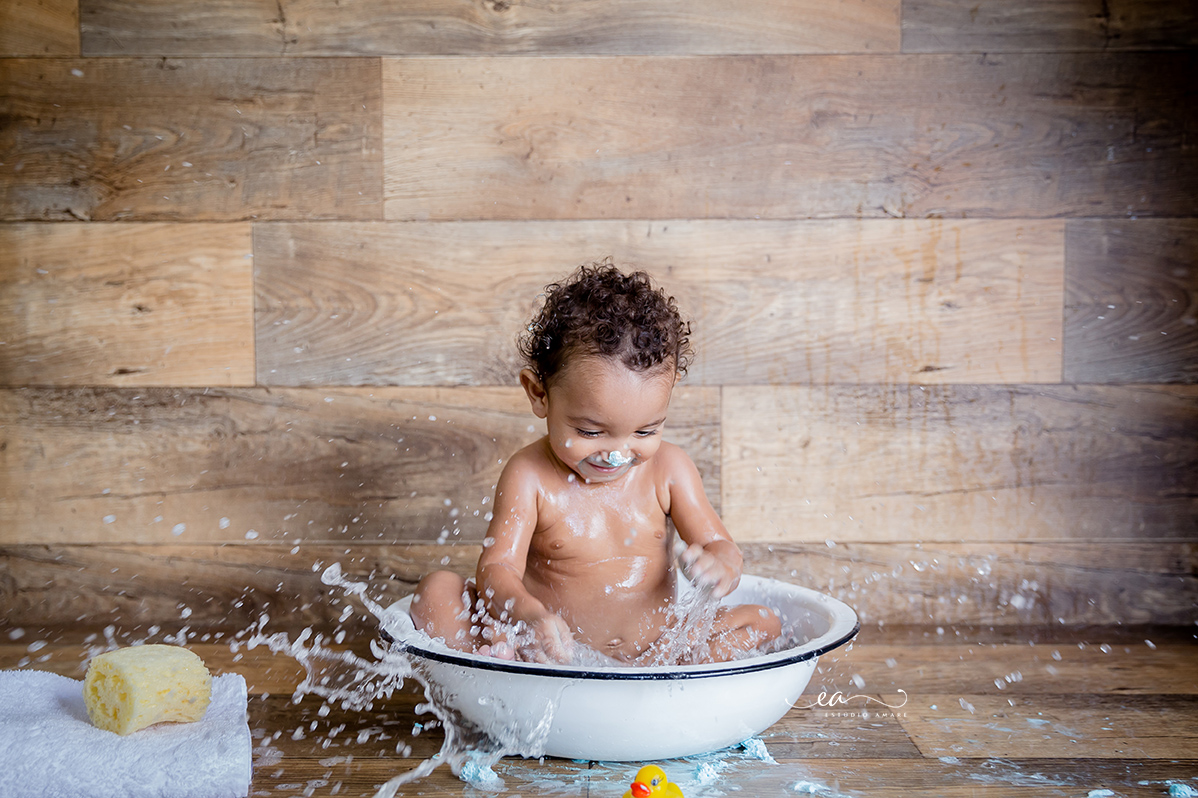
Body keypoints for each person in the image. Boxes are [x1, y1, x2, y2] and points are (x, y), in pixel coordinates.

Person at [411, 261, 781, 664]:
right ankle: (506, 672)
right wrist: (529, 615)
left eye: (645, 431)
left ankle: (671, 682)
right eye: (590, 432)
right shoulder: (530, 476)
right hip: (552, 654)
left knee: (761, 621)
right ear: (539, 394)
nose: (618, 452)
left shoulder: (669, 470)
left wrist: (720, 566)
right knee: (437, 592)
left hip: (657, 651)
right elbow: (497, 569)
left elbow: (719, 545)